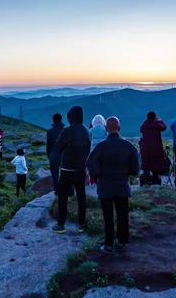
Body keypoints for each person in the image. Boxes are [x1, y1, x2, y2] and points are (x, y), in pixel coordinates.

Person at [86, 116, 139, 253]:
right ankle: (122, 242)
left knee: (108, 217)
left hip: (105, 187)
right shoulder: (128, 146)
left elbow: (90, 164)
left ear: (106, 129)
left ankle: (108, 244)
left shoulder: (101, 147)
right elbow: (135, 169)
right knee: (123, 215)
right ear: (119, 128)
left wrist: (98, 175)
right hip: (122, 186)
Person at [52, 106, 90, 234]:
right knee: (81, 197)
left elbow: (57, 148)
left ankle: (61, 224)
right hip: (80, 169)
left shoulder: (66, 131)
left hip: (66, 169)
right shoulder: (86, 131)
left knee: (63, 197)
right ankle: (82, 225)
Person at [140, 111, 167, 186]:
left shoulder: (145, 124)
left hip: (146, 149)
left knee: (146, 167)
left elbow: (141, 129)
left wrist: (147, 120)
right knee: (156, 167)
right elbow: (164, 127)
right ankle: (155, 182)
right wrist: (159, 119)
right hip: (156, 149)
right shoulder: (157, 124)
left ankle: (145, 182)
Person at [46, 113, 65, 196]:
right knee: (65, 173)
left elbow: (48, 145)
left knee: (55, 175)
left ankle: (57, 191)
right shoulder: (64, 130)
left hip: (53, 155)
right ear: (61, 119)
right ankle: (67, 189)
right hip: (64, 155)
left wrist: (49, 155)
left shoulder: (50, 131)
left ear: (53, 120)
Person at [89, 115, 108, 185]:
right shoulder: (105, 131)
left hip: (92, 152)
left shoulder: (90, 131)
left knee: (93, 168)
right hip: (104, 153)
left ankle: (93, 182)